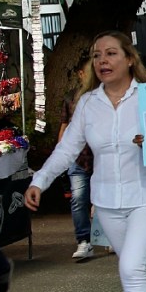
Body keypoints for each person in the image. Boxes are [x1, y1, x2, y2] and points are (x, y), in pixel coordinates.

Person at [25, 31, 146, 292]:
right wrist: (39, 181)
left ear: (129, 59)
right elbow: (67, 149)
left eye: (110, 53)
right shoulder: (88, 103)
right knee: (137, 266)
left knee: (131, 266)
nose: (102, 61)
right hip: (106, 199)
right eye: (96, 55)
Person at [60, 61, 95, 261]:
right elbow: (64, 126)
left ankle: (107, 239)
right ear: (81, 73)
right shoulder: (70, 97)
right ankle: (83, 240)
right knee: (79, 199)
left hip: (103, 157)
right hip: (78, 157)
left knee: (107, 199)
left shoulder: (106, 95)